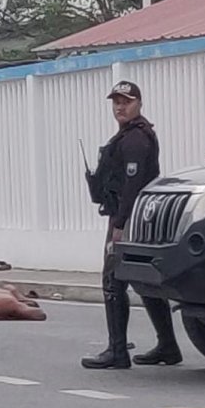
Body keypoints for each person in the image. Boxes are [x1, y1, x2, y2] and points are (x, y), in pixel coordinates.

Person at [81, 81, 182, 370]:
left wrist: (121, 224)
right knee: (145, 280)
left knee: (113, 282)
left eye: (125, 101)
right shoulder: (129, 135)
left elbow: (133, 183)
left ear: (138, 103)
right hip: (139, 218)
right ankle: (168, 345)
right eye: (116, 102)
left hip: (129, 218)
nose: (119, 107)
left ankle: (117, 351)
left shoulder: (135, 139)